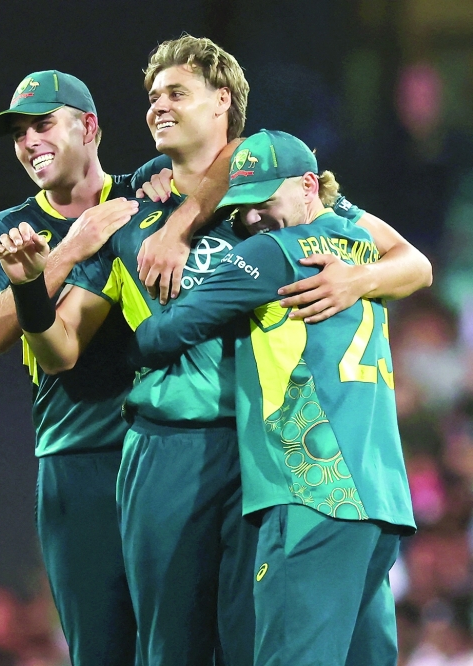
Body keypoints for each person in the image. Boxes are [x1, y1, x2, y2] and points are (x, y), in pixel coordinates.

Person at [0, 36, 431, 666]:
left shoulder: (278, 195)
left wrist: (354, 279)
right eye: (152, 97)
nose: (157, 107)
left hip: (264, 454)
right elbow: (58, 350)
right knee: (171, 647)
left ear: (223, 99)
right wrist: (31, 286)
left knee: (259, 644)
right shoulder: (126, 217)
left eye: (176, 92)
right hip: (166, 450)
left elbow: (411, 262)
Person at [129, 129, 418, 666]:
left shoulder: (271, 252)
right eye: (241, 207)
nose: (251, 219)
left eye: (264, 201)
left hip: (312, 491)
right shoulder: (358, 245)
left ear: (310, 186)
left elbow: (159, 337)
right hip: (381, 498)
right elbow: (418, 266)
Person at [0, 69, 216, 666]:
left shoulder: (145, 191)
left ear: (90, 127)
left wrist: (179, 220)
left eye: (43, 124)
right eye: (19, 132)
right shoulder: (4, 231)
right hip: (76, 462)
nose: (29, 141)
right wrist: (70, 250)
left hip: (164, 452)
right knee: (100, 651)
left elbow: (229, 167)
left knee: (186, 645)